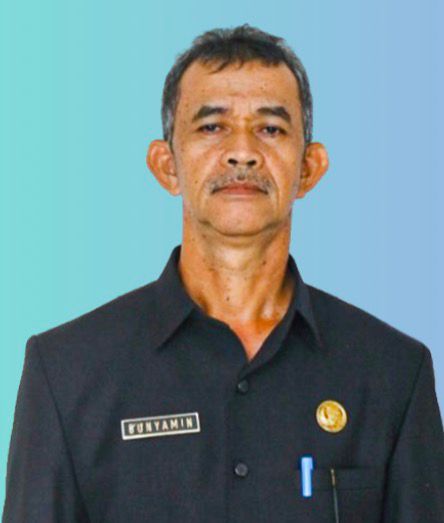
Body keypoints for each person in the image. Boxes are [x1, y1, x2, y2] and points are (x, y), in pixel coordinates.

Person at [2, 24, 443, 523]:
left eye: (271, 128)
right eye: (212, 127)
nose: (242, 151)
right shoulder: (66, 371)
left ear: (309, 168)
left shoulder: (392, 373)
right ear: (166, 165)